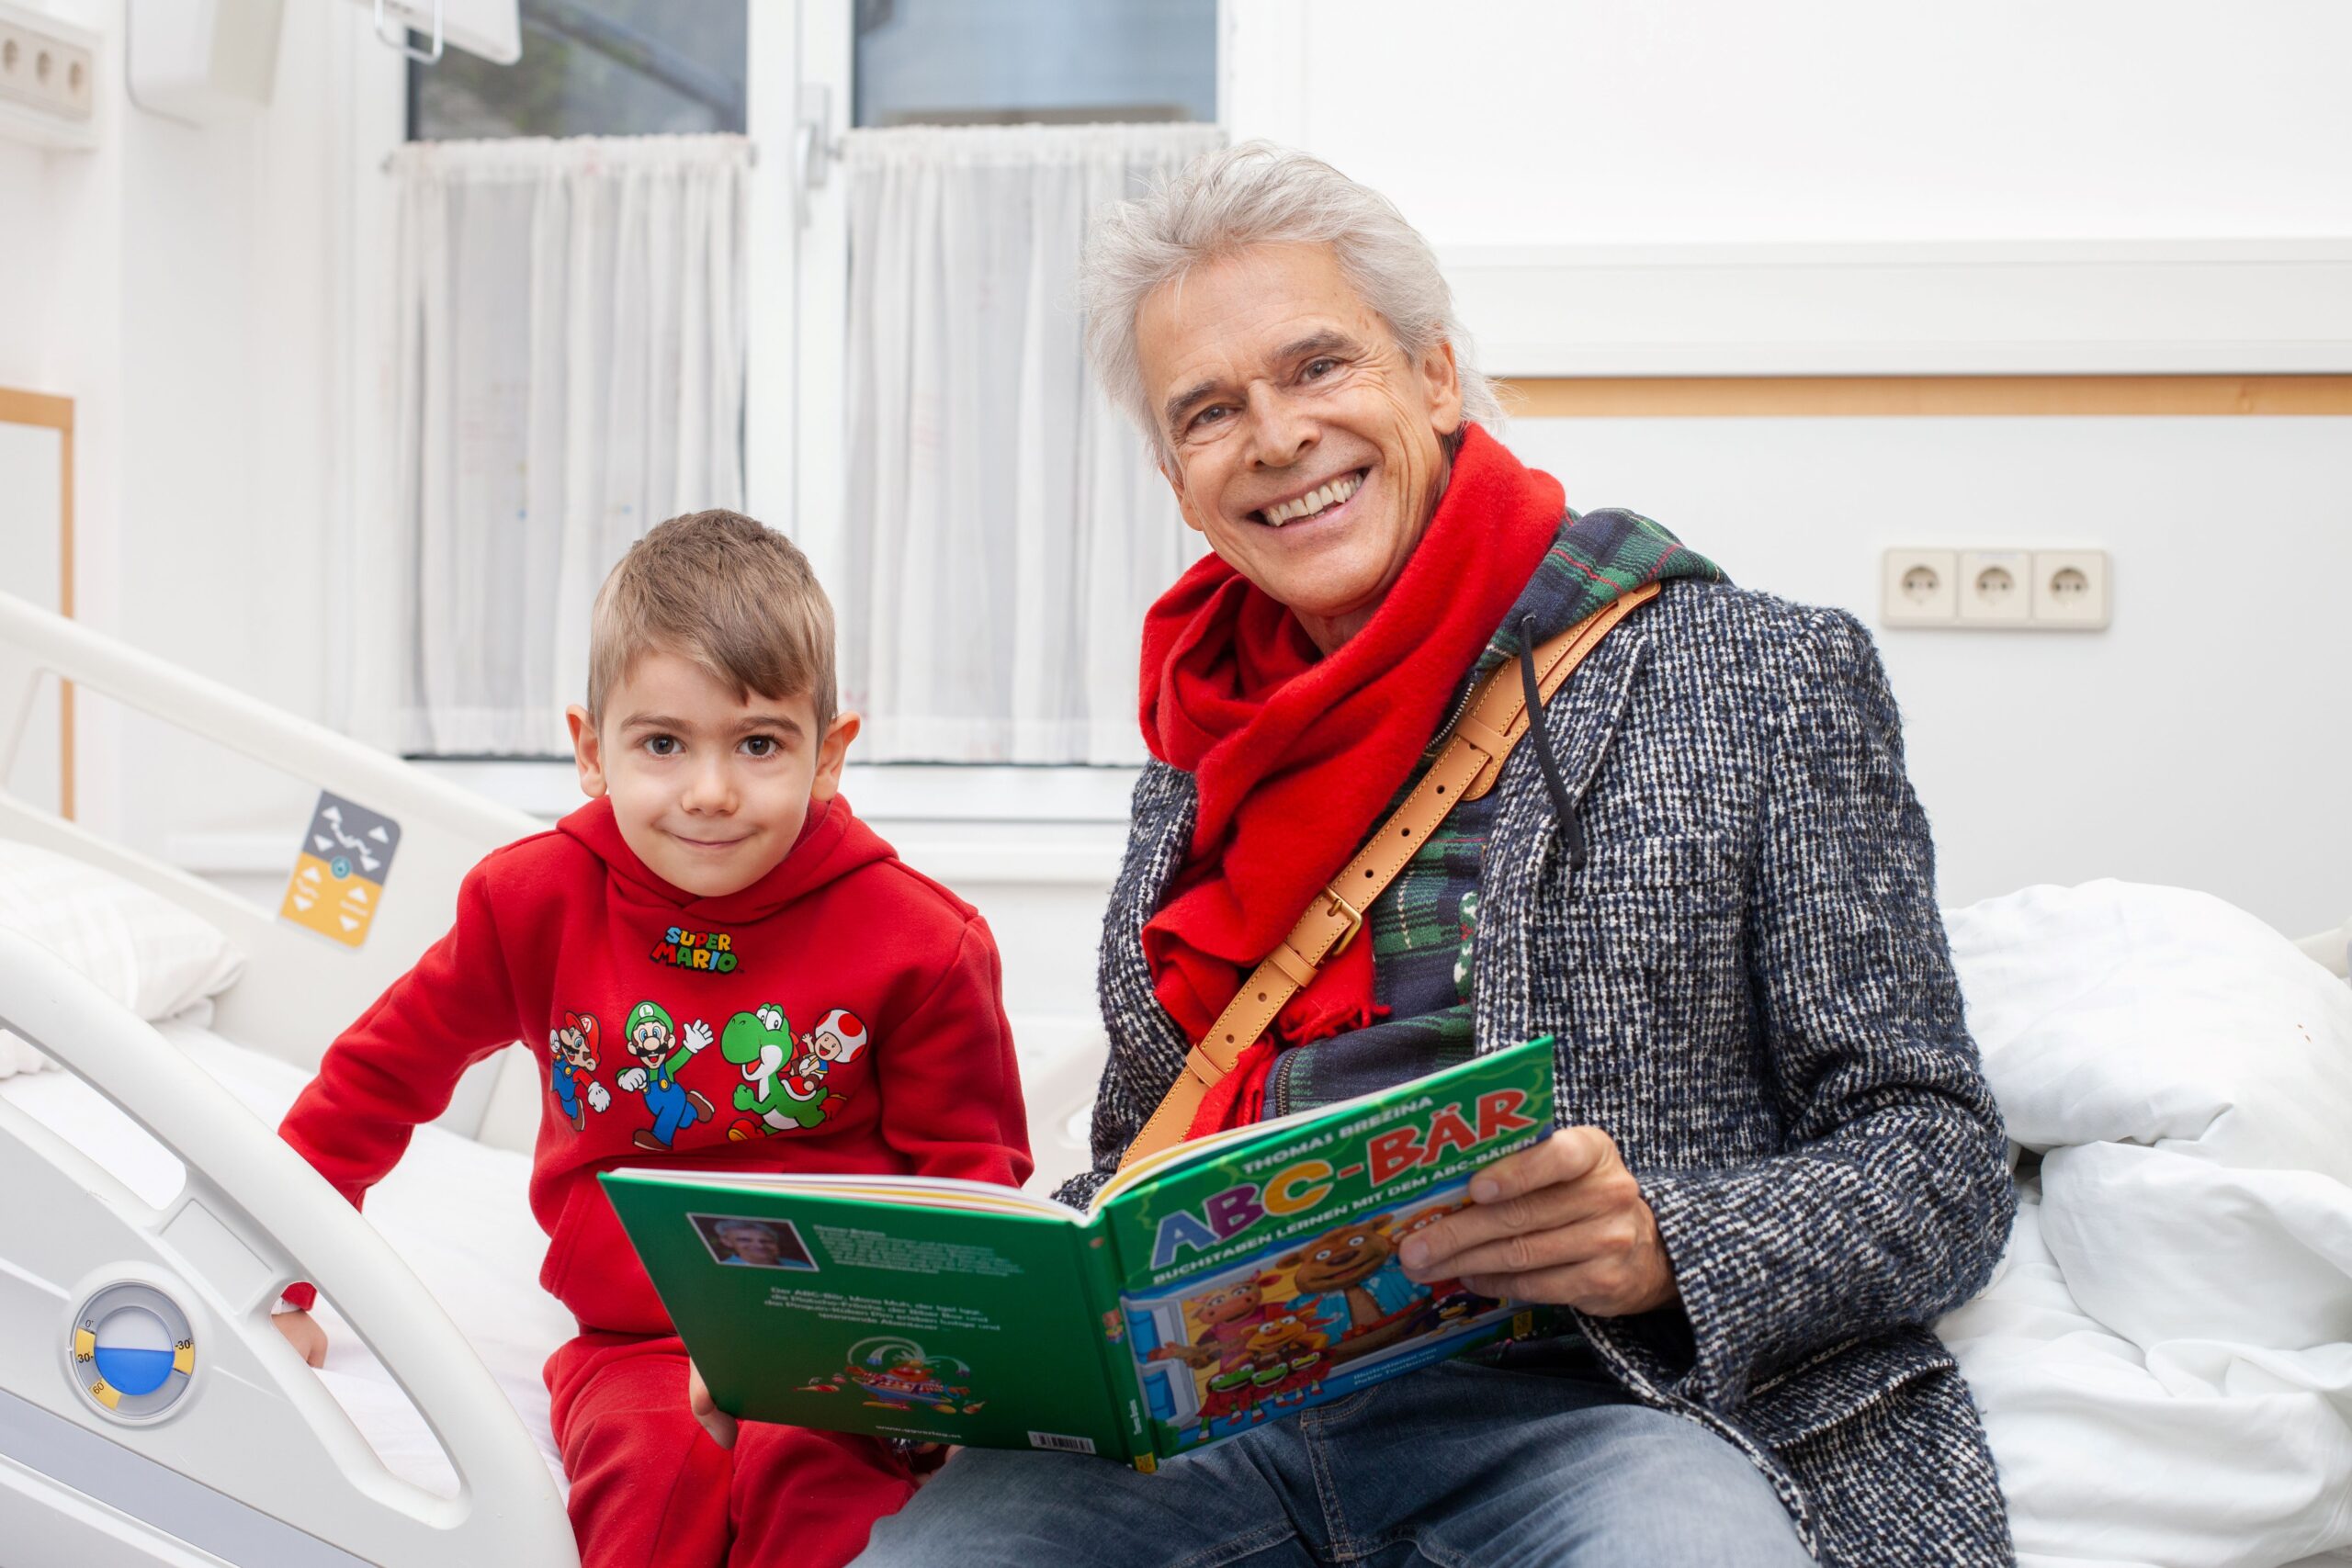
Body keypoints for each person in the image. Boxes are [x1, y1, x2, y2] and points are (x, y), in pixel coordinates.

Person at [851, 144, 2015, 1567]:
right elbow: (1149, 1171)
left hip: (1602, 1402)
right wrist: (956, 1332)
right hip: (1223, 1428)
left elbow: (1940, 1150)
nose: (1275, 437)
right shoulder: (1197, 744)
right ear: (1178, 479)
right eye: (1210, 410)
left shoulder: (1755, 670)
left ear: (1436, 378)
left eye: (1318, 367)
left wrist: (1666, 1242)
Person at [271, 509, 1031, 1568]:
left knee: (816, 1493)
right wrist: (276, 1282)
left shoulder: (923, 944)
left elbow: (973, 1186)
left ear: (828, 754)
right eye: (663, 743)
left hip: (838, 1342)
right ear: (591, 750)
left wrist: (933, 1382)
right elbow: (375, 1082)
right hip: (632, 1338)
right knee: (649, 1480)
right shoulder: (529, 902)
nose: (710, 792)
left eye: (759, 743)